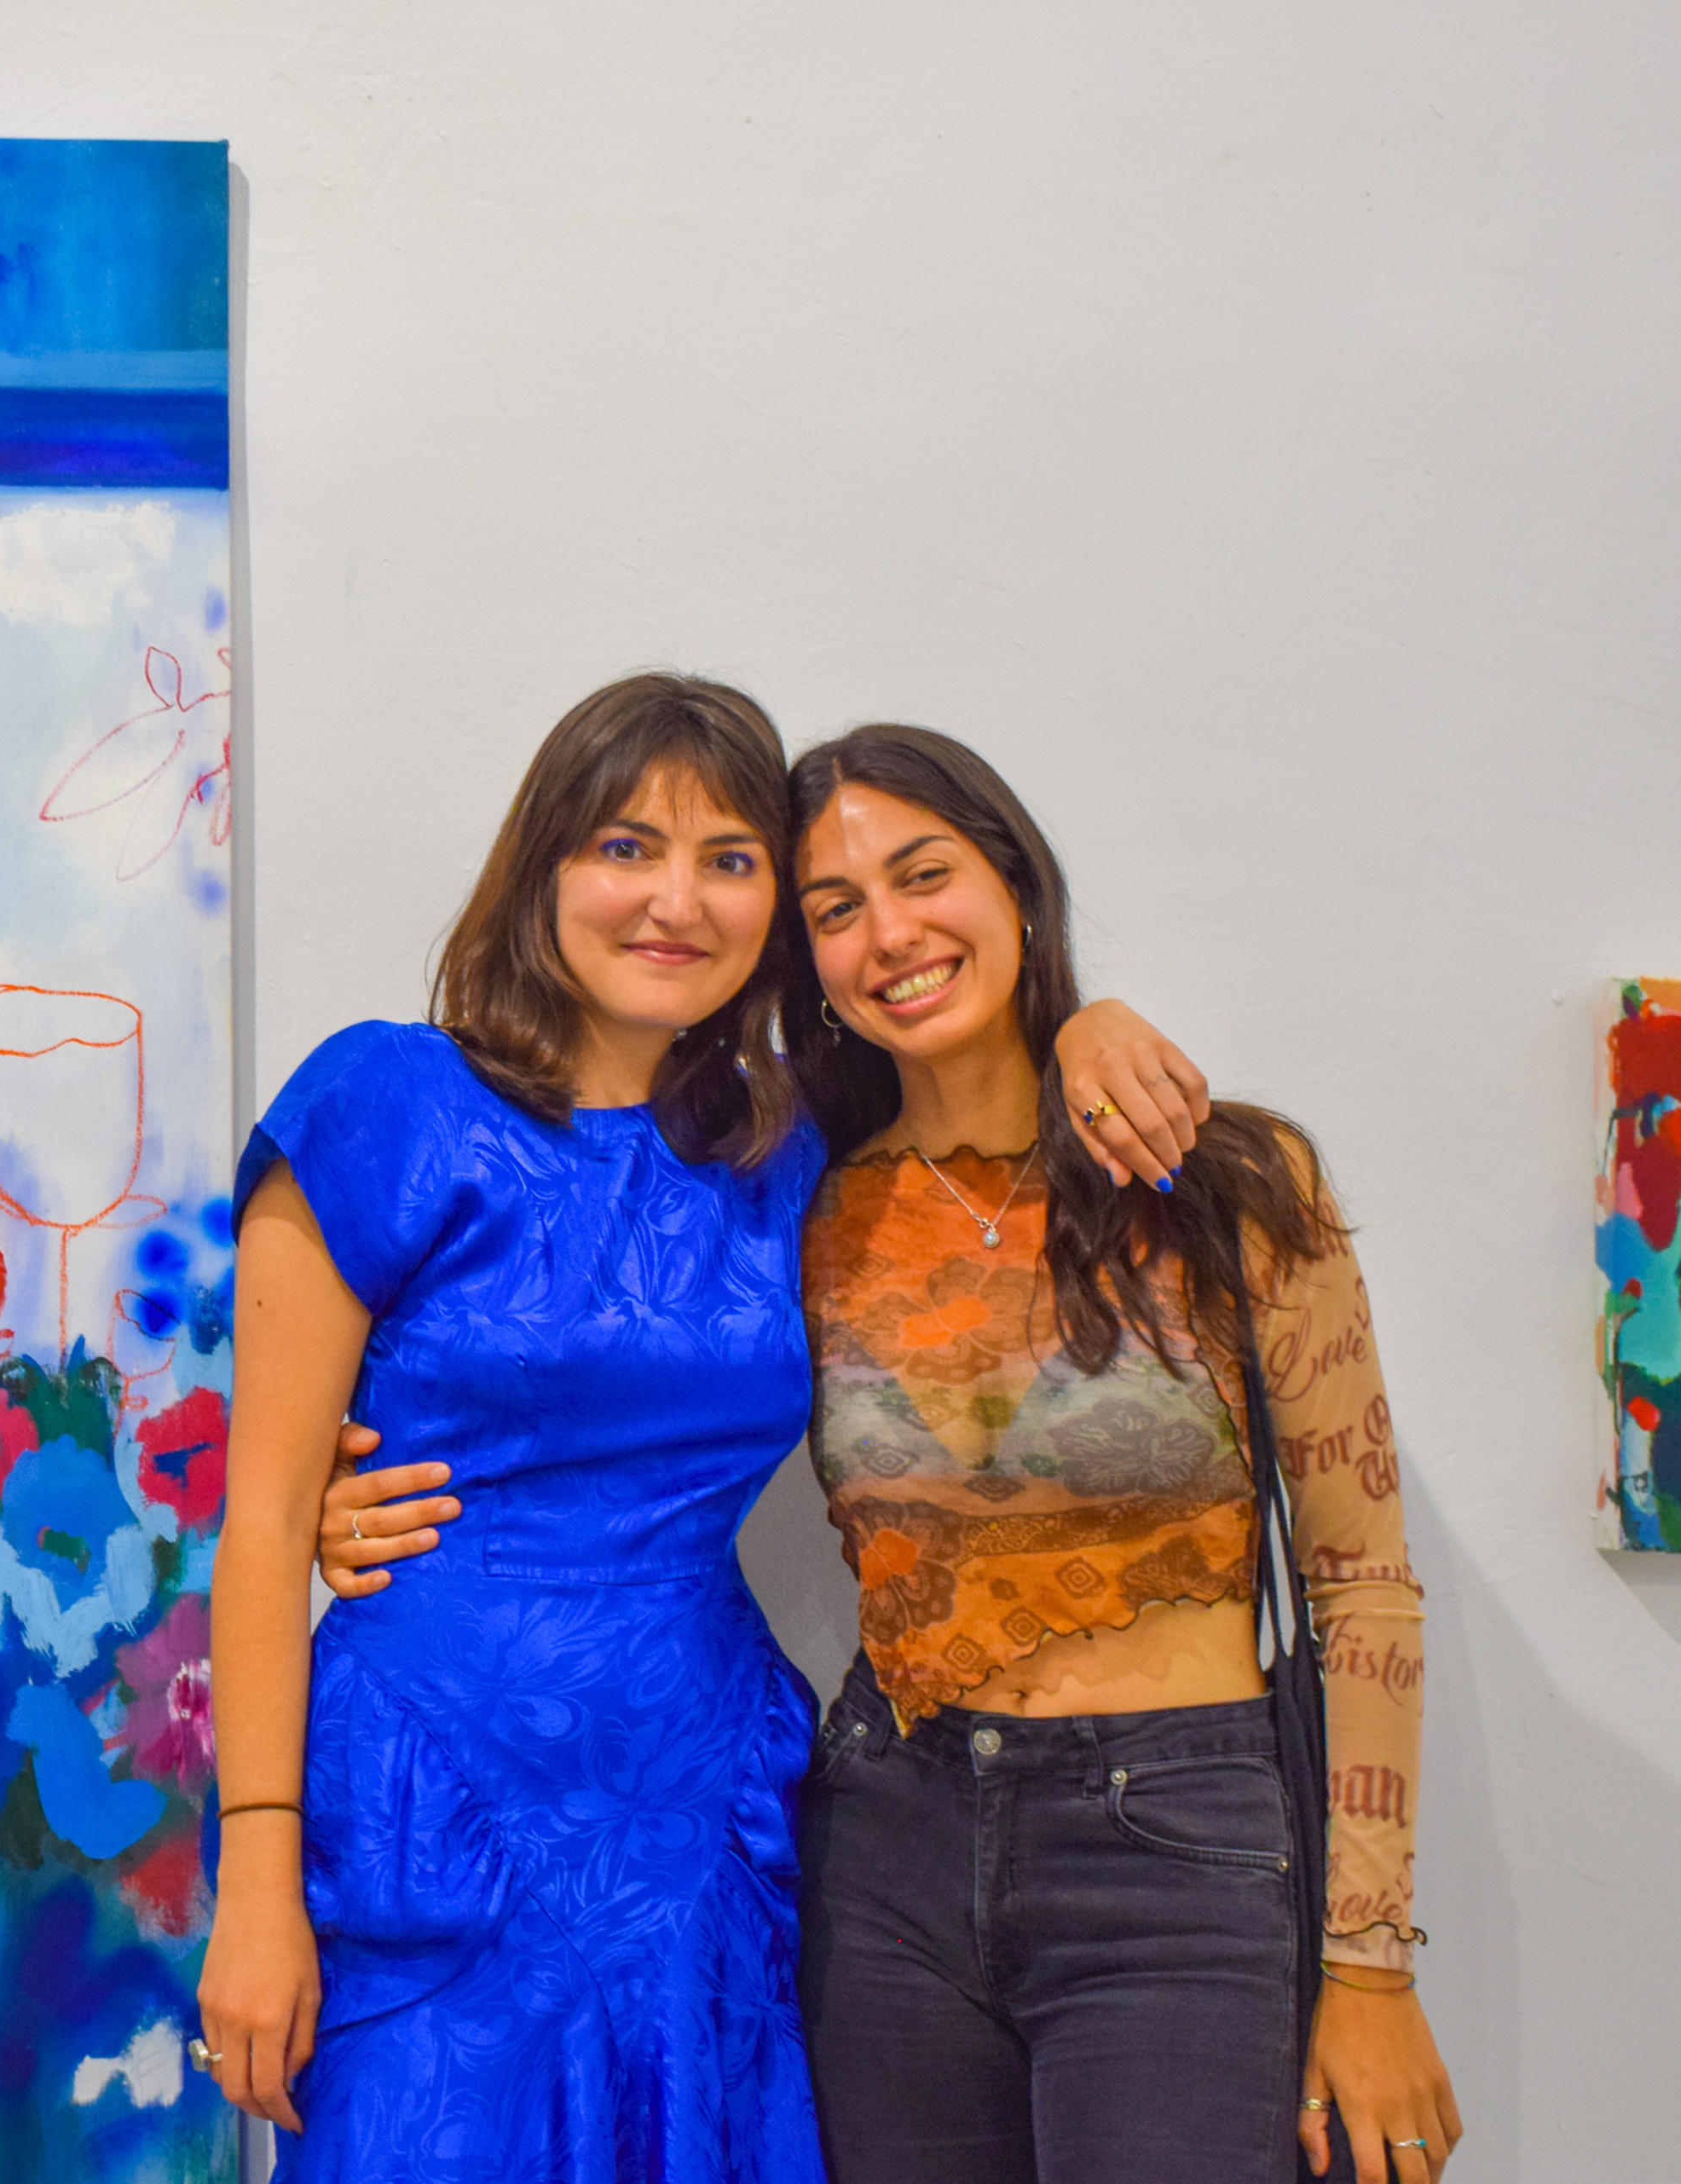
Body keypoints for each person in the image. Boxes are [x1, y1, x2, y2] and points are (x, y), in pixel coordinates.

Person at [321, 722, 1460, 2184]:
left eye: (926, 875)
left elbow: (1364, 1586)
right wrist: (367, 1500)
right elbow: (606, 1387)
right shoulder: (797, 1196)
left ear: (1016, 885)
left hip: (1177, 1849)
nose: (892, 933)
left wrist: (1370, 1968)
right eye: (836, 908)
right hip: (889, 1847)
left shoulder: (1228, 1181)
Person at [197, 675, 1187, 2181]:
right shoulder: (389, 1098)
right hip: (432, 1807)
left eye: (729, 859)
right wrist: (258, 1883)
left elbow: (961, 1065)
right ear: (542, 867)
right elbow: (268, 1522)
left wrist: (1086, 1025)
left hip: (695, 1814)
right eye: (626, 847)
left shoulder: (789, 1147)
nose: (676, 900)